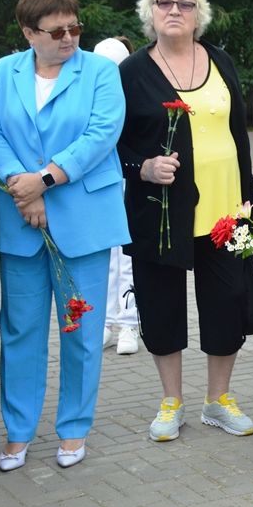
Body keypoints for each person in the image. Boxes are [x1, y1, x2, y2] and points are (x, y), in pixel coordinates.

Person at [0, 0, 130, 470]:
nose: (69, 38)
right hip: (21, 218)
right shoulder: (4, 72)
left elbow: (102, 133)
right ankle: (18, 430)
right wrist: (20, 187)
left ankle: (73, 428)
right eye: (57, 31)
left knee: (80, 329)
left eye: (75, 28)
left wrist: (44, 180)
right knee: (20, 331)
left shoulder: (101, 72)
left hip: (82, 219)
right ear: (29, 33)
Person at [118, 0, 253, 442]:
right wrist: (143, 167)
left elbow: (237, 137)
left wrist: (249, 203)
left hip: (226, 210)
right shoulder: (132, 73)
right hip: (160, 213)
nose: (174, 11)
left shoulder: (220, 59)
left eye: (184, 4)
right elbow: (114, 144)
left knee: (227, 301)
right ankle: (171, 402)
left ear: (198, 12)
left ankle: (217, 400)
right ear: (150, 13)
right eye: (164, 3)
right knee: (161, 303)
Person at [93, 36, 140, 356]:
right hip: (99, 185)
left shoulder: (134, 95)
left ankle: (129, 322)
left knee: (127, 256)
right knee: (105, 254)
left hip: (128, 182)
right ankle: (107, 321)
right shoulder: (90, 96)